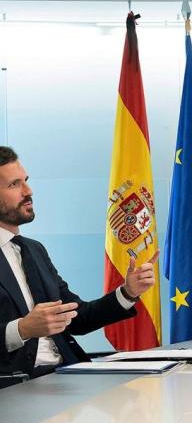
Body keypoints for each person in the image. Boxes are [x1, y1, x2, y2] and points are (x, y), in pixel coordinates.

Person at [0, 146, 159, 383]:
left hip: (67, 374)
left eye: (26, 181)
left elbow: (77, 317)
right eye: (14, 184)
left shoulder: (34, 250)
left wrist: (128, 292)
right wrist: (21, 329)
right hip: (15, 384)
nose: (28, 191)